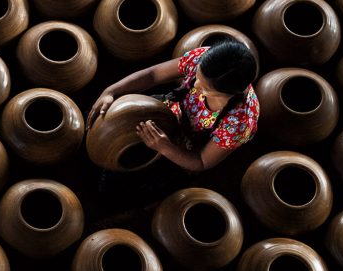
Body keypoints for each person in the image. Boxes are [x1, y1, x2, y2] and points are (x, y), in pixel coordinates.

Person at [88, 40, 260, 173]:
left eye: (206, 88)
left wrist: (165, 147)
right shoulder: (206, 61)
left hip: (188, 146)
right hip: (170, 109)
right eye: (197, 76)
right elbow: (153, 75)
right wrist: (111, 91)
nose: (196, 85)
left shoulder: (239, 121)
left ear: (230, 93)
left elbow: (201, 161)